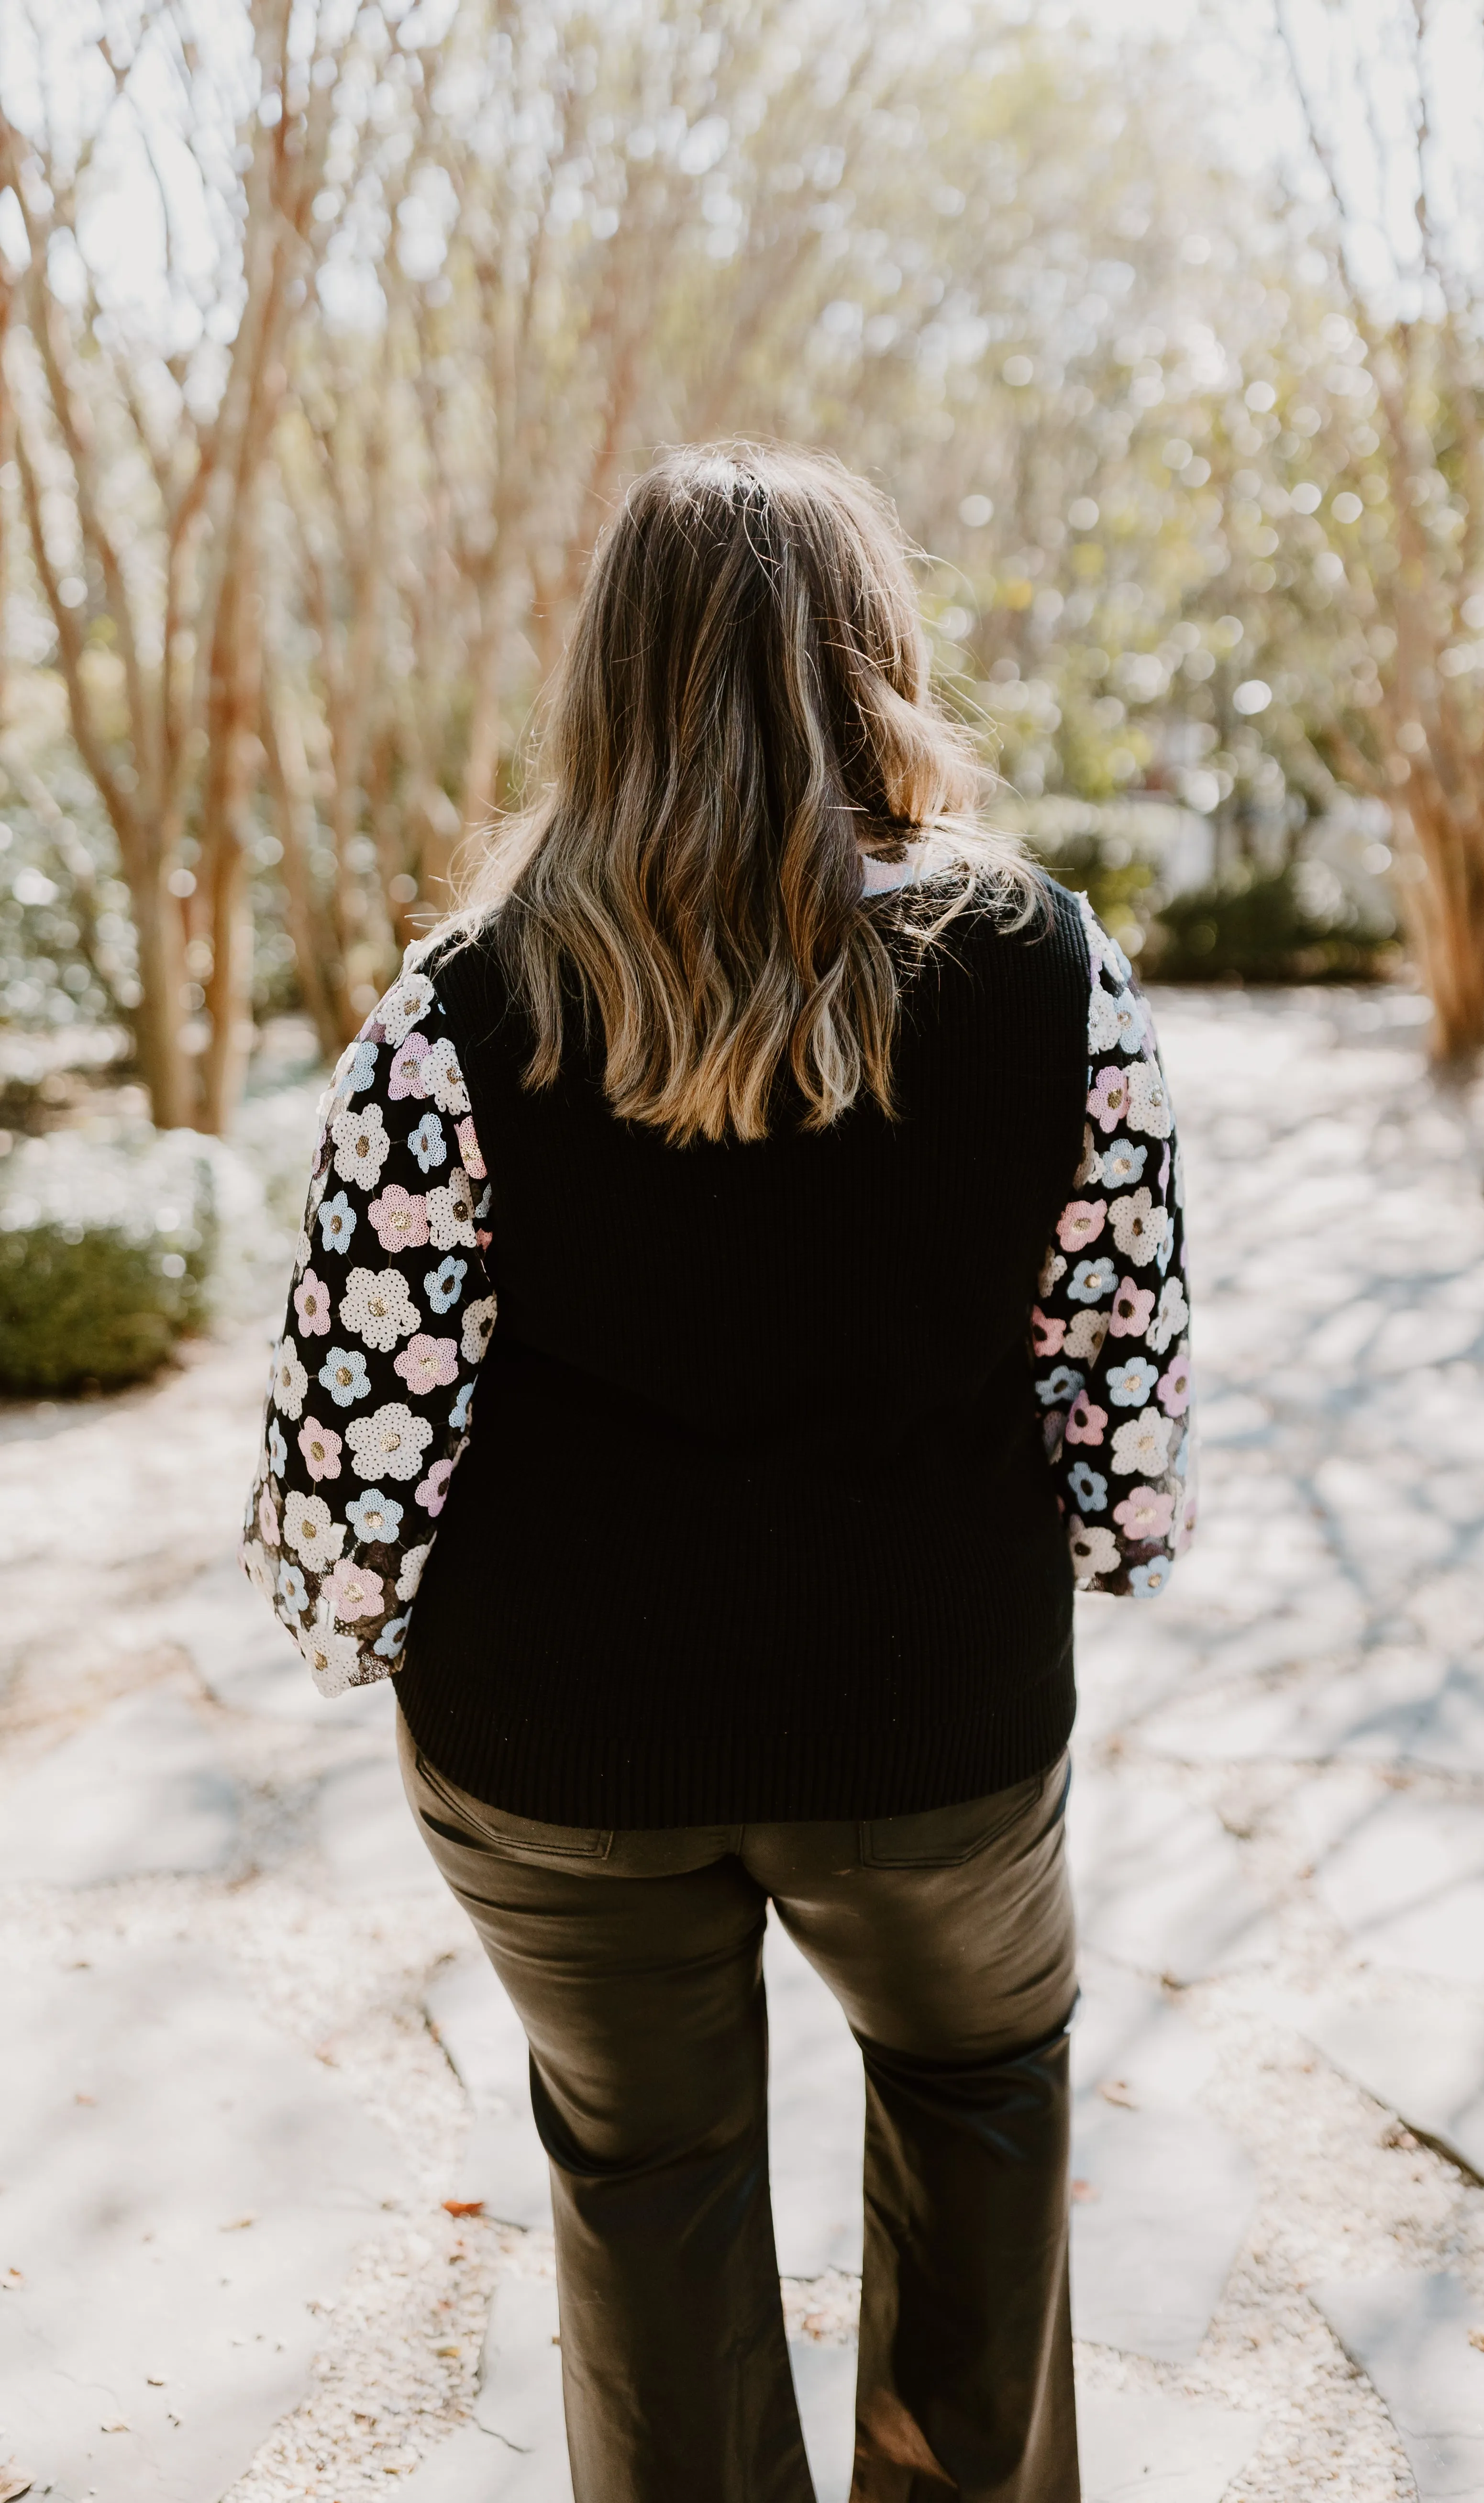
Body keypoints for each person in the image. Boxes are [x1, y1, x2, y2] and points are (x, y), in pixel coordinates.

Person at [243, 441, 1193, 2503]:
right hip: (928, 1717)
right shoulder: (1049, 964)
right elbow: (1117, 1375)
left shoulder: (461, 1004)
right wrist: (1106, 1538)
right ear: (877, 657)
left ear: (612, 678)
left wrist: (348, 1625)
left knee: (647, 2171)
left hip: (556, 1738)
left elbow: (349, 1444)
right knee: (977, 2093)